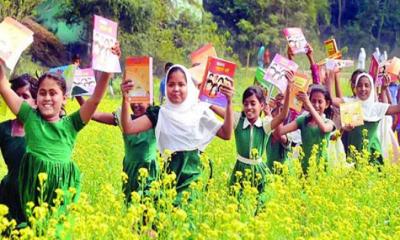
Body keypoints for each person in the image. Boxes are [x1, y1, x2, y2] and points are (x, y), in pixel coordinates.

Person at [0, 44, 120, 221]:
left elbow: (94, 100)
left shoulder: (71, 124)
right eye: (42, 93)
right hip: (33, 192)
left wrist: (109, 67)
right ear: (37, 97)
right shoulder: (29, 117)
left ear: (64, 97)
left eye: (52, 93)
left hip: (61, 193)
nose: (47, 98)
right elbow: (3, 87)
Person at [120, 64, 234, 203]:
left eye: (181, 84)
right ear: (165, 87)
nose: (176, 89)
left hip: (192, 181)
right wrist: (126, 99)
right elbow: (129, 128)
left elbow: (226, 134)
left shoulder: (198, 111)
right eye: (171, 84)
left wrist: (229, 103)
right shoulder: (159, 113)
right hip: (168, 181)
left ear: (189, 87)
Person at [77, 94, 158, 203]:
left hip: (149, 172)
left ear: (150, 101)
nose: (136, 105)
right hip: (129, 172)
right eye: (132, 100)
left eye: (140, 101)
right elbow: (94, 114)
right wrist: (78, 94)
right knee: (131, 209)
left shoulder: (156, 119)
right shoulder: (124, 120)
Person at [230, 73, 293, 192]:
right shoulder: (238, 120)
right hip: (240, 169)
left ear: (262, 105)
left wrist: (289, 90)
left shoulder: (265, 124)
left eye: (253, 103)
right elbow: (220, 110)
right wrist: (204, 97)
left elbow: (282, 116)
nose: (249, 107)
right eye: (246, 104)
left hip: (259, 170)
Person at [329, 72, 400, 164]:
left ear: (372, 88)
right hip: (353, 154)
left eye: (366, 86)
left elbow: (398, 108)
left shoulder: (376, 107)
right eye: (359, 85)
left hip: (373, 154)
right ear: (355, 88)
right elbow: (331, 100)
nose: (363, 89)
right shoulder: (351, 104)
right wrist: (331, 77)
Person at [0, 74, 37, 223]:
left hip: (36, 199)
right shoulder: (3, 129)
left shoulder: (44, 128)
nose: (20, 100)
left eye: (25, 96)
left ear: (35, 101)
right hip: (8, 197)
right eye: (16, 95)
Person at [278, 85, 335, 173]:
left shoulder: (329, 123)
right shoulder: (303, 120)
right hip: (304, 168)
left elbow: (323, 128)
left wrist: (309, 105)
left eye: (320, 102)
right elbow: (281, 131)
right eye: (313, 101)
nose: (316, 105)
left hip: (322, 169)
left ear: (327, 104)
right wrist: (281, 106)